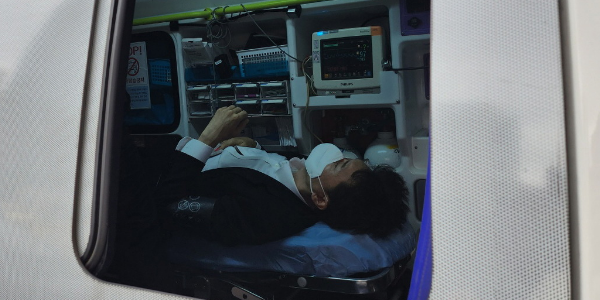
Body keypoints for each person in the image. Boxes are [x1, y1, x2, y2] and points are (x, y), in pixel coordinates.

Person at [157, 105, 410, 245]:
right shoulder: (300, 173)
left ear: (320, 199)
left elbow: (169, 201)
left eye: (337, 166)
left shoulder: (266, 215)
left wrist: (208, 137)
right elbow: (263, 172)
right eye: (345, 158)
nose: (334, 155)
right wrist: (250, 147)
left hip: (152, 177)